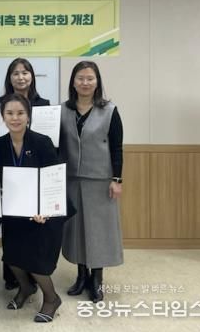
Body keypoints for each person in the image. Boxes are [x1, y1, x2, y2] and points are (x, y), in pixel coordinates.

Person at [0, 94, 70, 323]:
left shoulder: (42, 142)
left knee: (37, 261)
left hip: (43, 212)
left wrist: (44, 209)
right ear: (2, 117)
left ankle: (51, 298)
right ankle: (26, 287)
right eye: (9, 113)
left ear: (28, 116)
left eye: (20, 113)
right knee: (12, 257)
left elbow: (53, 178)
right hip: (15, 211)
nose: (15, 118)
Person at [60, 61, 124, 303]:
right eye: (80, 78)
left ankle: (96, 279)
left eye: (90, 78)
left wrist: (117, 179)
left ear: (97, 82)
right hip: (71, 179)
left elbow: (117, 147)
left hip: (100, 180)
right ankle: (81, 276)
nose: (85, 83)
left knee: (99, 231)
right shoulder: (63, 110)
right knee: (76, 230)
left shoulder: (109, 110)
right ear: (73, 82)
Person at [0, 58, 50, 289]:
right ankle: (15, 280)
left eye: (25, 72)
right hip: (9, 186)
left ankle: (35, 282)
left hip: (36, 174)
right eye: (15, 73)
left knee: (33, 239)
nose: (20, 77)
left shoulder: (44, 106)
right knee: (11, 237)